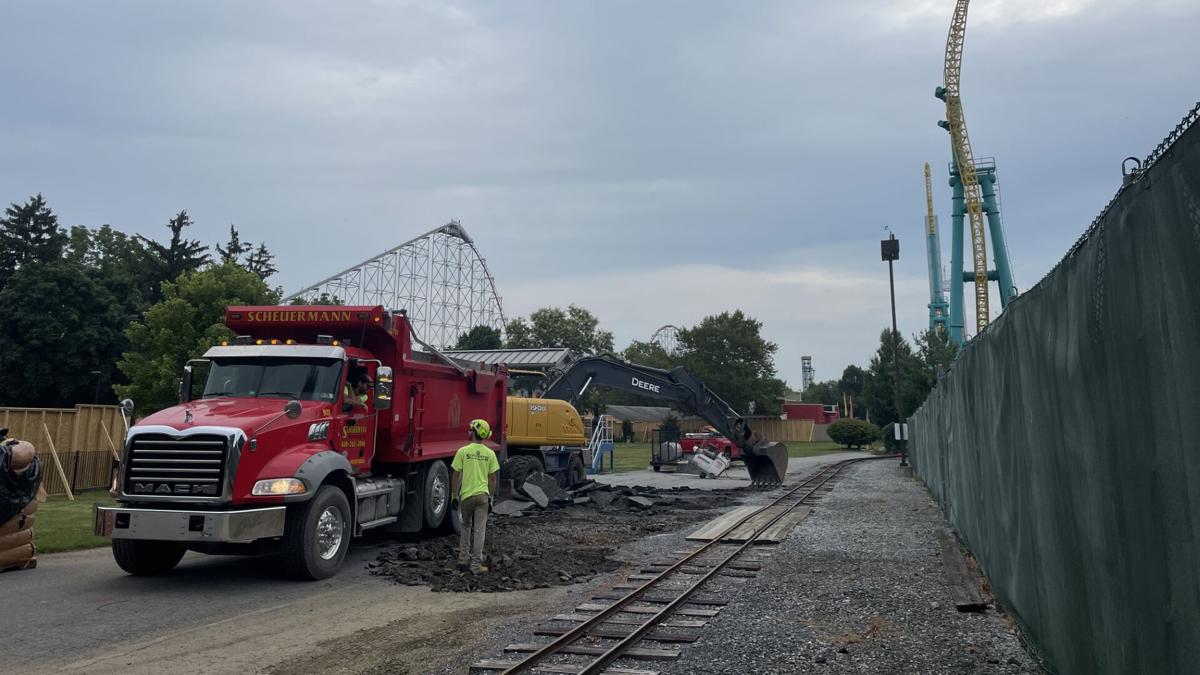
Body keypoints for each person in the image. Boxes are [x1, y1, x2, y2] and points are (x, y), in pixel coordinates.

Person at [450, 419, 499, 574]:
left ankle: (463, 560)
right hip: (483, 497)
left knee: (465, 527)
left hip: (466, 497)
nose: (468, 431)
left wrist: (453, 495)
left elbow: (456, 474)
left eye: (470, 429)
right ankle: (476, 565)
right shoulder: (490, 454)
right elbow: (492, 478)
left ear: (474, 433)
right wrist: (491, 497)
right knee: (479, 531)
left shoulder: (463, 451)